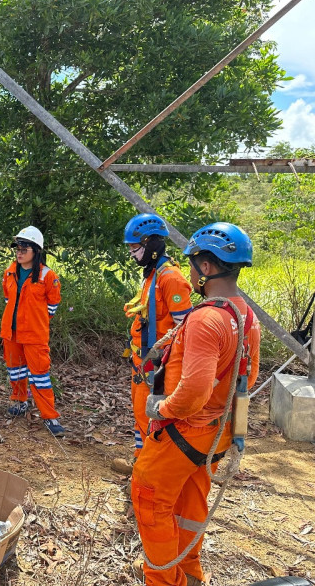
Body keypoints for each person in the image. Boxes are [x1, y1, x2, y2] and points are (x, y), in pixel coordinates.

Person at [131, 222, 260, 586]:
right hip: (213, 434)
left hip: (185, 430)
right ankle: (190, 572)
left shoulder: (207, 319)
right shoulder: (246, 316)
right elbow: (246, 381)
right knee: (189, 505)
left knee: (147, 494)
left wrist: (162, 408)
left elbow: (192, 393)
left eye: (193, 264)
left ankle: (165, 580)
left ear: (205, 267)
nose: (190, 271)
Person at [121, 213, 192, 467]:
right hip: (142, 359)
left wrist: (165, 366)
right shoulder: (151, 275)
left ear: (150, 243)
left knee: (151, 414)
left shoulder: (170, 278)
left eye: (134, 247)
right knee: (140, 413)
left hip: (157, 362)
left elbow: (184, 328)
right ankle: (140, 460)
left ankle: (150, 466)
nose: (132, 253)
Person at [0, 226, 64, 435]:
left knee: (40, 376)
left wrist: (35, 321)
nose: (19, 252)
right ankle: (19, 402)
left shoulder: (47, 276)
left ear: (36, 250)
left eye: (24, 248)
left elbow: (52, 307)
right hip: (11, 332)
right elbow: (8, 300)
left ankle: (49, 416)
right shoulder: (10, 271)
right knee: (15, 370)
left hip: (35, 335)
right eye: (17, 248)